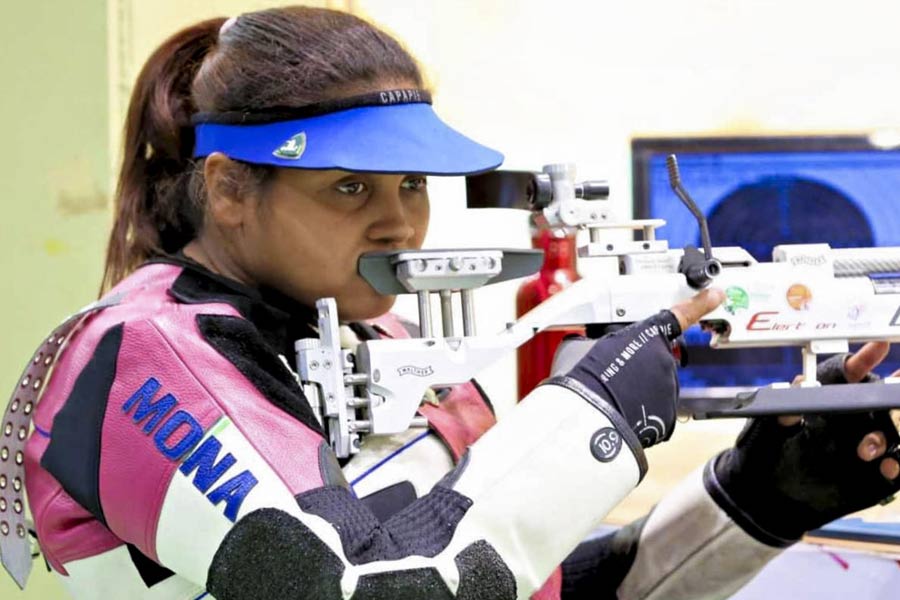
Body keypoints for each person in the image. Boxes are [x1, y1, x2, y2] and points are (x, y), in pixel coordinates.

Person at [1, 6, 897, 600]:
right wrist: (588, 420)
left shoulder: (386, 333)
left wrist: (754, 502)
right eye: (352, 188)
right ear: (231, 188)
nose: (400, 226)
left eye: (413, 185)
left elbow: (500, 580)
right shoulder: (138, 354)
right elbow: (363, 590)